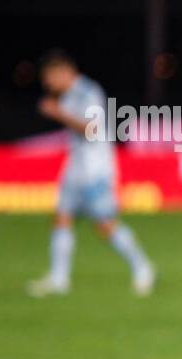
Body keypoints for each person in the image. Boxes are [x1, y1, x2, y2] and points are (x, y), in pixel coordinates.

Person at [26, 50, 155, 297]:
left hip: (96, 169)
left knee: (105, 224)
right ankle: (59, 278)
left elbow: (92, 130)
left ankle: (142, 268)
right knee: (62, 218)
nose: (47, 84)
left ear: (63, 72)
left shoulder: (88, 93)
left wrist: (59, 114)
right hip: (75, 168)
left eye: (49, 78)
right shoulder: (67, 96)